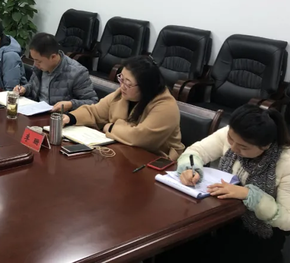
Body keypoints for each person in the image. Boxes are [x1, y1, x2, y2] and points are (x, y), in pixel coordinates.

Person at [156, 105, 290, 263]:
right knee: (172, 249)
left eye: (243, 147)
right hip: (221, 218)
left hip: (258, 234)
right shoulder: (234, 134)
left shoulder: (285, 163)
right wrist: (190, 168)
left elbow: (287, 219)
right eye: (230, 139)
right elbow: (196, 151)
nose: (233, 148)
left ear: (266, 145)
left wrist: (249, 195)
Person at [62, 56, 184, 159]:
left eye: (128, 83)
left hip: (157, 161)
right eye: (121, 79)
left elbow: (140, 137)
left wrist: (111, 127)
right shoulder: (122, 94)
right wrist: (70, 118)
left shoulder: (165, 105)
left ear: (145, 86)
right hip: (124, 152)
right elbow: (95, 112)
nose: (122, 86)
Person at [14, 33, 98, 112]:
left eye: (38, 61)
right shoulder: (40, 67)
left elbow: (92, 102)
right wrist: (24, 89)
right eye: (34, 60)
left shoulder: (77, 72)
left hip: (60, 118)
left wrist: (70, 104)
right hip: (37, 112)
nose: (35, 64)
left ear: (53, 57)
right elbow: (33, 86)